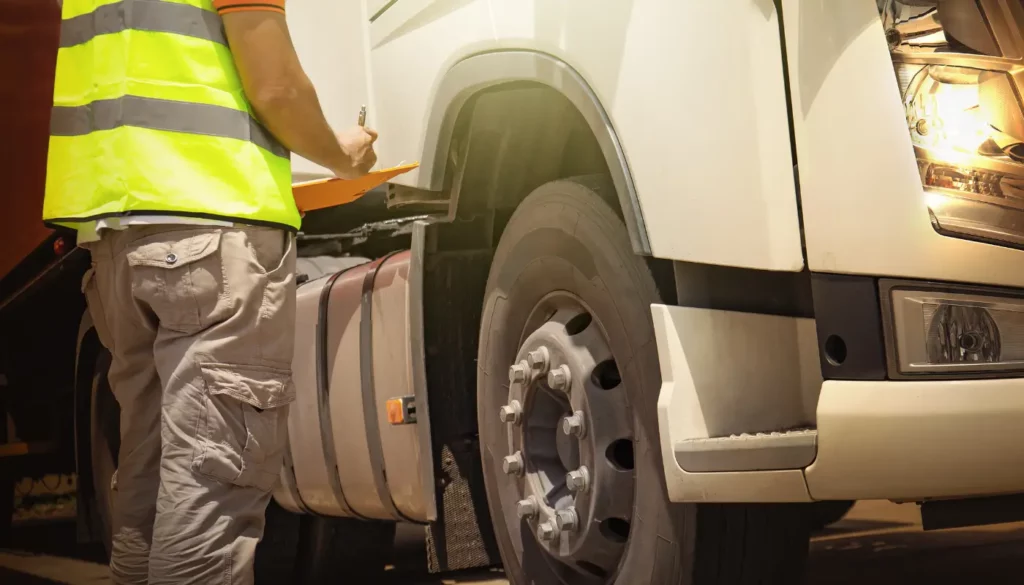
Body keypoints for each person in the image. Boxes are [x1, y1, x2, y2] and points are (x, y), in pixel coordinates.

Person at [42, 0, 376, 583]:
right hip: (209, 233)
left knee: (148, 487)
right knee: (209, 496)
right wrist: (339, 154)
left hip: (118, 239)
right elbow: (275, 87)